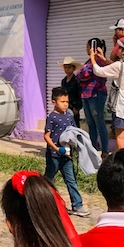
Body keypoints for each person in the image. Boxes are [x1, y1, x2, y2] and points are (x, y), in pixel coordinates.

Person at [44, 86, 89, 217]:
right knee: (48, 180)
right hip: (54, 155)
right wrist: (56, 148)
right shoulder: (52, 117)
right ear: (54, 102)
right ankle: (41, 201)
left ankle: (77, 205)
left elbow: (74, 132)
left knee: (71, 180)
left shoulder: (69, 116)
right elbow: (46, 136)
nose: (65, 104)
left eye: (67, 102)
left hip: (67, 156)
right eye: (62, 102)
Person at [91, 39, 124, 150]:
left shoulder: (120, 65)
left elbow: (99, 71)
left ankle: (123, 161)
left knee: (120, 136)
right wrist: (104, 59)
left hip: (122, 106)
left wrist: (92, 57)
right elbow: (115, 67)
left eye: (119, 48)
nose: (116, 50)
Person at [78, 38, 110, 157]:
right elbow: (80, 75)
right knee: (90, 123)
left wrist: (82, 72)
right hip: (86, 95)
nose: (87, 49)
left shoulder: (99, 61)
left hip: (96, 95)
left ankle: (105, 151)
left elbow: (85, 74)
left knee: (99, 122)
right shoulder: (89, 61)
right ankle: (93, 148)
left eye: (88, 46)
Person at [59, 56, 82, 127]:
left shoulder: (76, 80)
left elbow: (80, 94)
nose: (67, 69)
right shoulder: (63, 81)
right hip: (65, 106)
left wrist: (77, 108)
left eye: (69, 67)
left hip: (74, 107)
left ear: (73, 68)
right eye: (65, 67)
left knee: (74, 126)